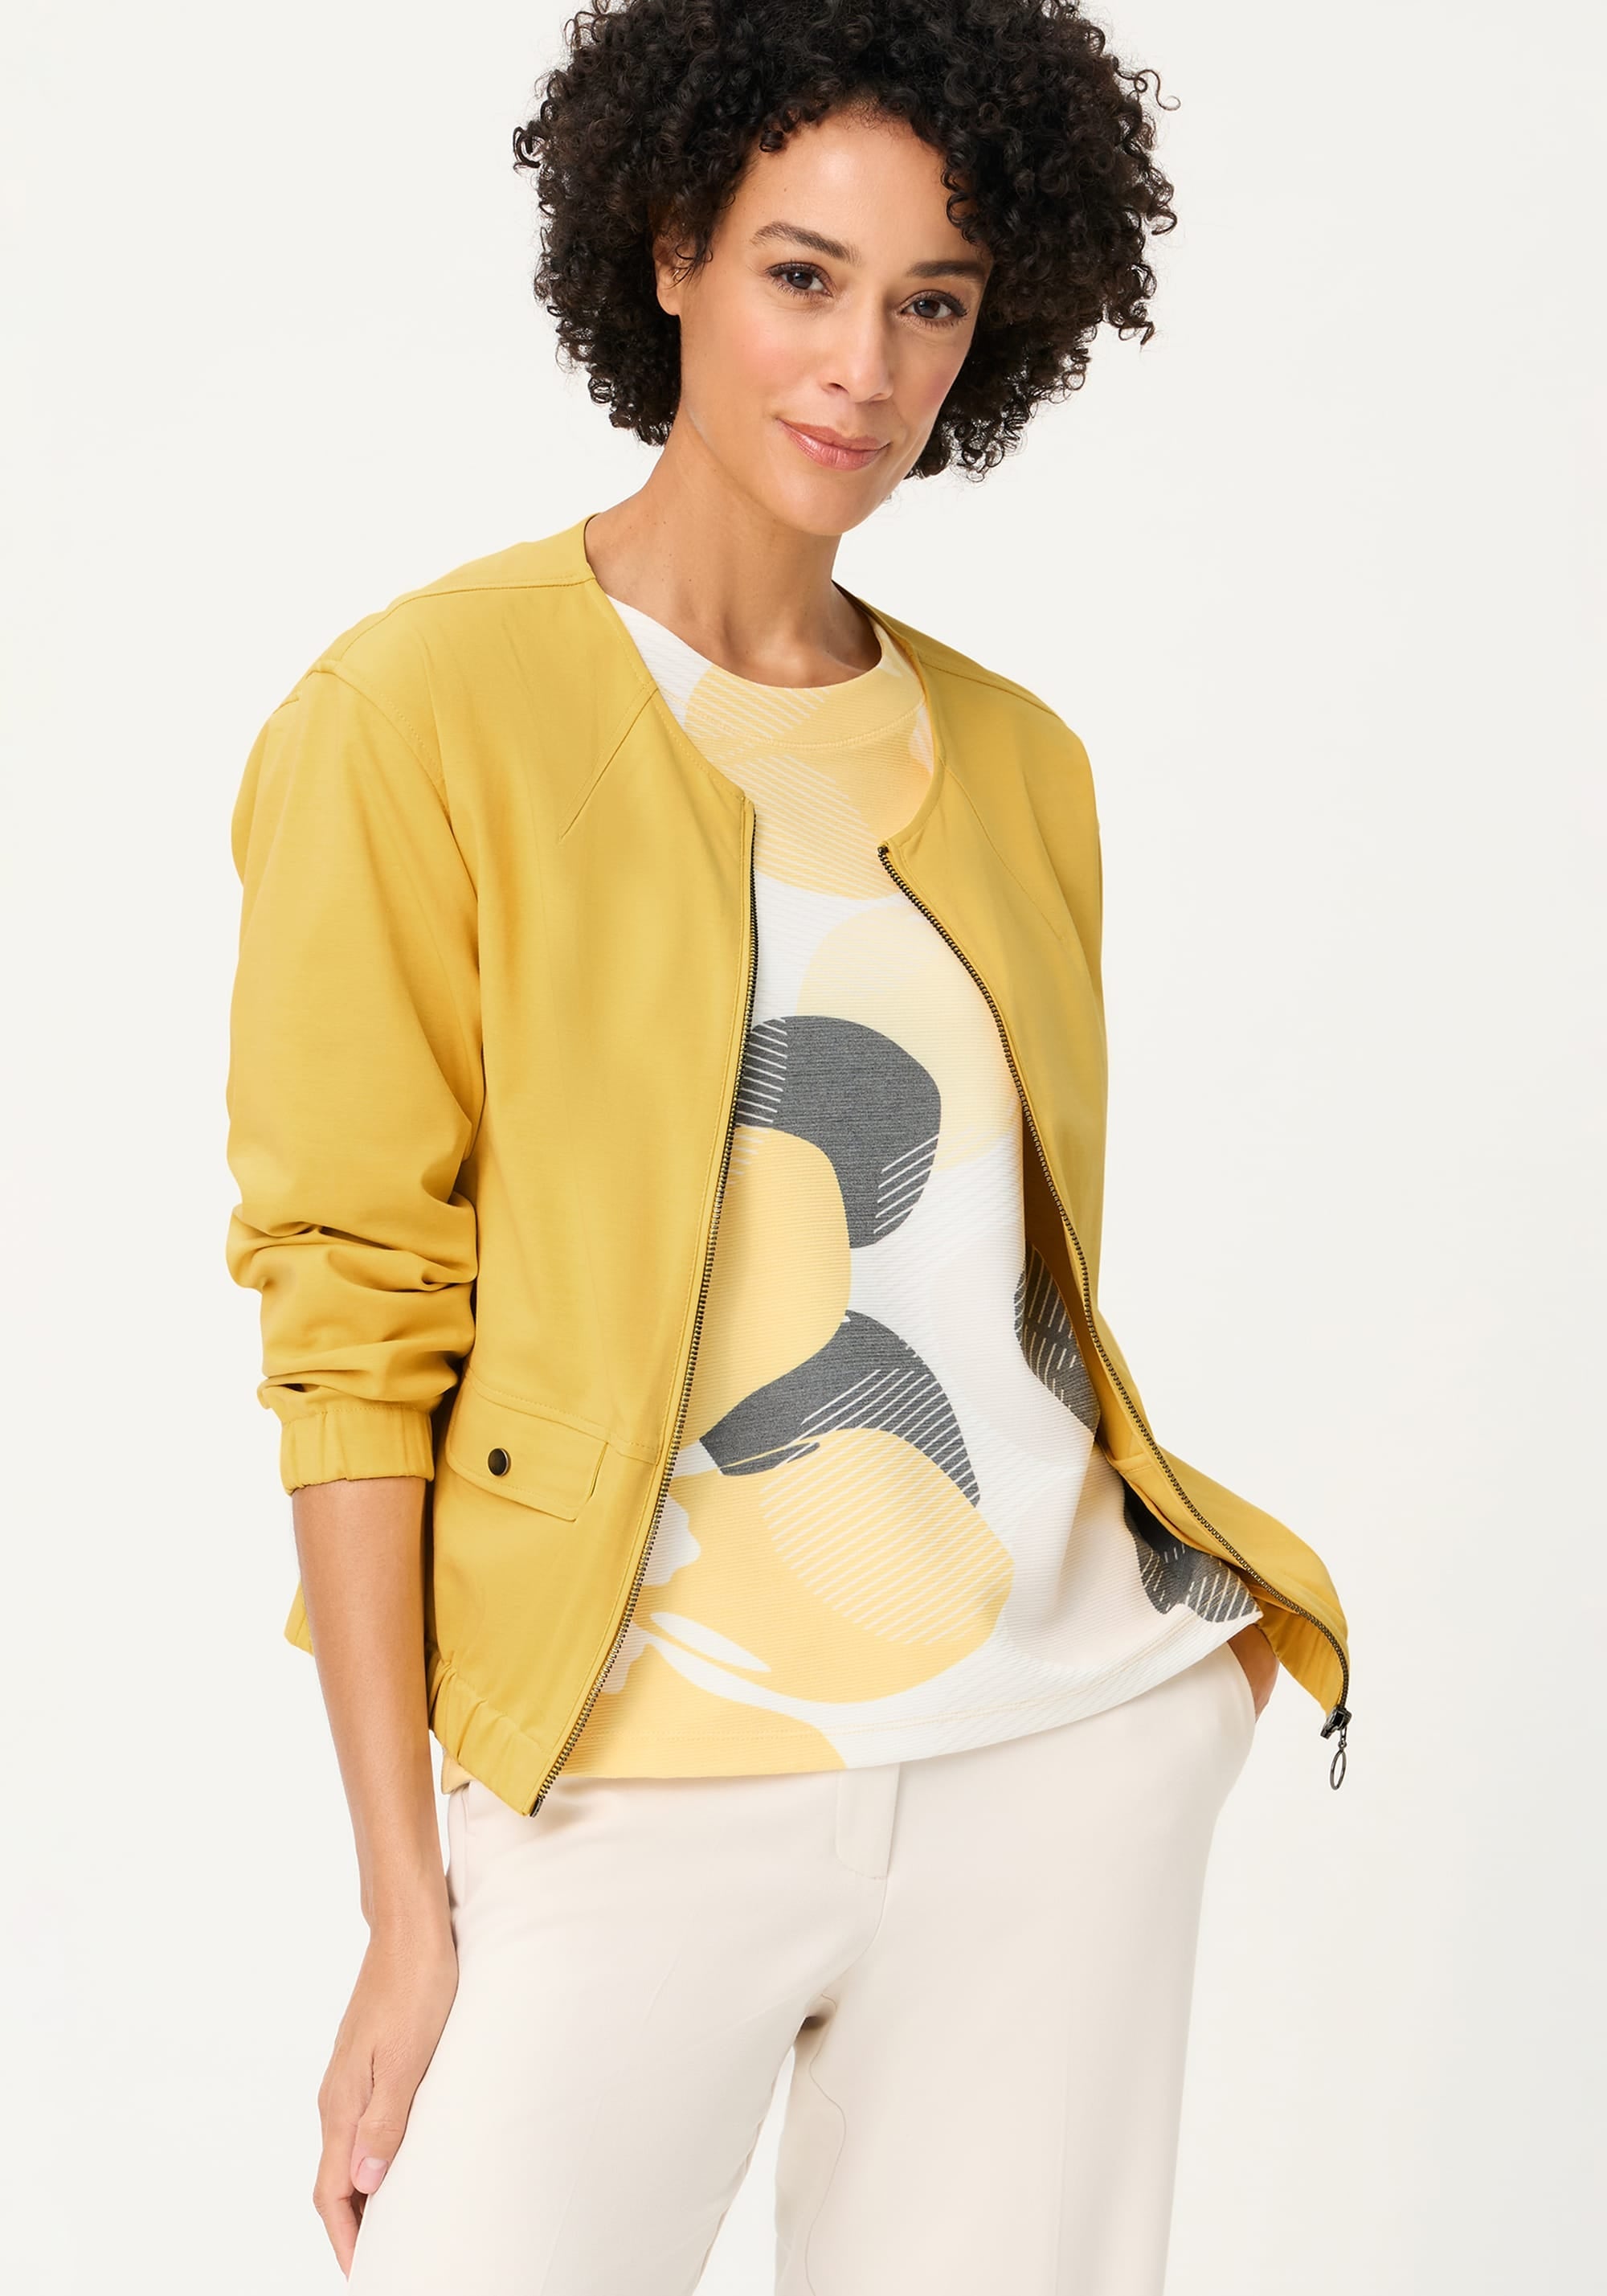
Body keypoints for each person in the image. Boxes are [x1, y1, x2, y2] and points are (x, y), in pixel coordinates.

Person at [224, 2, 1351, 2288]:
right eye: (803, 276)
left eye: (933, 301)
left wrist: (1159, 1732)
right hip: (623, 1778)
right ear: (668, 249)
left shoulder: (1019, 763)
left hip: (1051, 1758)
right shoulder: (418, 715)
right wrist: (406, 1907)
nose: (865, 367)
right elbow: (351, 1320)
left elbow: (1006, 1287)